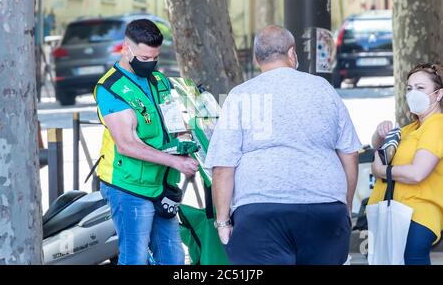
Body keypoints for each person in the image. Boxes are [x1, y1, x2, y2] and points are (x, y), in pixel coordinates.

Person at [204, 25, 362, 265]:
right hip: (325, 208)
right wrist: (345, 206)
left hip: (260, 210)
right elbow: (349, 154)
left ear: (257, 59)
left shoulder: (240, 95)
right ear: (292, 53)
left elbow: (223, 167)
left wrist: (223, 221)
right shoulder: (323, 89)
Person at [94, 19, 199, 265]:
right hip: (129, 187)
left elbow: (175, 124)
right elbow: (127, 145)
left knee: (173, 258)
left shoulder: (159, 80)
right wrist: (176, 163)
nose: (150, 63)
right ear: (125, 50)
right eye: (143, 58)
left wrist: (186, 144)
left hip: (161, 185)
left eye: (155, 58)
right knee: (135, 258)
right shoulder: (110, 88)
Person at [369, 63, 443, 265]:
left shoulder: (436, 124)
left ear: (438, 94)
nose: (413, 93)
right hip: (398, 214)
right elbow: (382, 149)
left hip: (416, 216)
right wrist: (379, 134)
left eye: (421, 88)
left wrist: (382, 171)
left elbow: (418, 173)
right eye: (409, 88)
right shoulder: (411, 128)